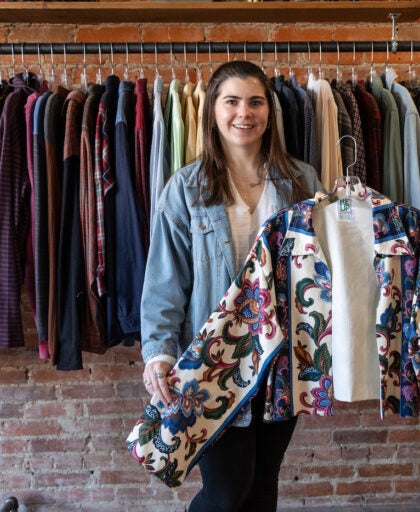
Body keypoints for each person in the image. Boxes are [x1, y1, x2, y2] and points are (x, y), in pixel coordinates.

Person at [139, 60, 322, 511]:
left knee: (262, 487)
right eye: (232, 101)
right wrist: (159, 354)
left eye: (256, 101)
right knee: (226, 491)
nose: (245, 113)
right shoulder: (187, 188)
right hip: (214, 362)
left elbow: (320, 272)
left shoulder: (302, 181)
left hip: (282, 360)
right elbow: (166, 280)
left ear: (270, 111)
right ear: (213, 111)